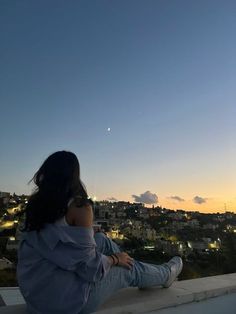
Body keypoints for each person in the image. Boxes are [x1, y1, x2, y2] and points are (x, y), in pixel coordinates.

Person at [17, 151, 183, 314]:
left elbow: (54, 240)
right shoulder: (79, 207)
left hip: (36, 299)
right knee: (127, 270)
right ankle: (164, 274)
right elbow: (91, 269)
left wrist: (87, 232)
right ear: (74, 175)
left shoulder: (35, 205)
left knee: (100, 239)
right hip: (67, 305)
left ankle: (143, 274)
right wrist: (115, 259)